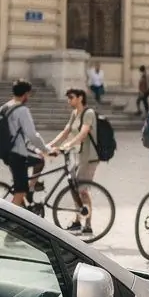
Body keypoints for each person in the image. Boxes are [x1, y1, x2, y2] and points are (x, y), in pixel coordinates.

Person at [47, 88, 98, 237]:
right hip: (78, 156)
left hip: (89, 157)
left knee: (82, 189)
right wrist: (50, 145)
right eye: (68, 98)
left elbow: (83, 134)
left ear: (80, 98)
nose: (69, 100)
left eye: (71, 97)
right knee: (75, 188)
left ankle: (88, 224)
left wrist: (66, 146)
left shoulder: (88, 113)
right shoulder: (74, 113)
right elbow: (65, 132)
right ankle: (77, 221)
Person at [0, 80, 49, 207]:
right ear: (26, 94)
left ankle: (29, 191)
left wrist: (36, 150)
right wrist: (46, 149)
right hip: (18, 154)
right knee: (20, 192)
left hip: (6, 152)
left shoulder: (4, 107)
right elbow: (32, 135)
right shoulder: (22, 110)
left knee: (38, 160)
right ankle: (10, 221)